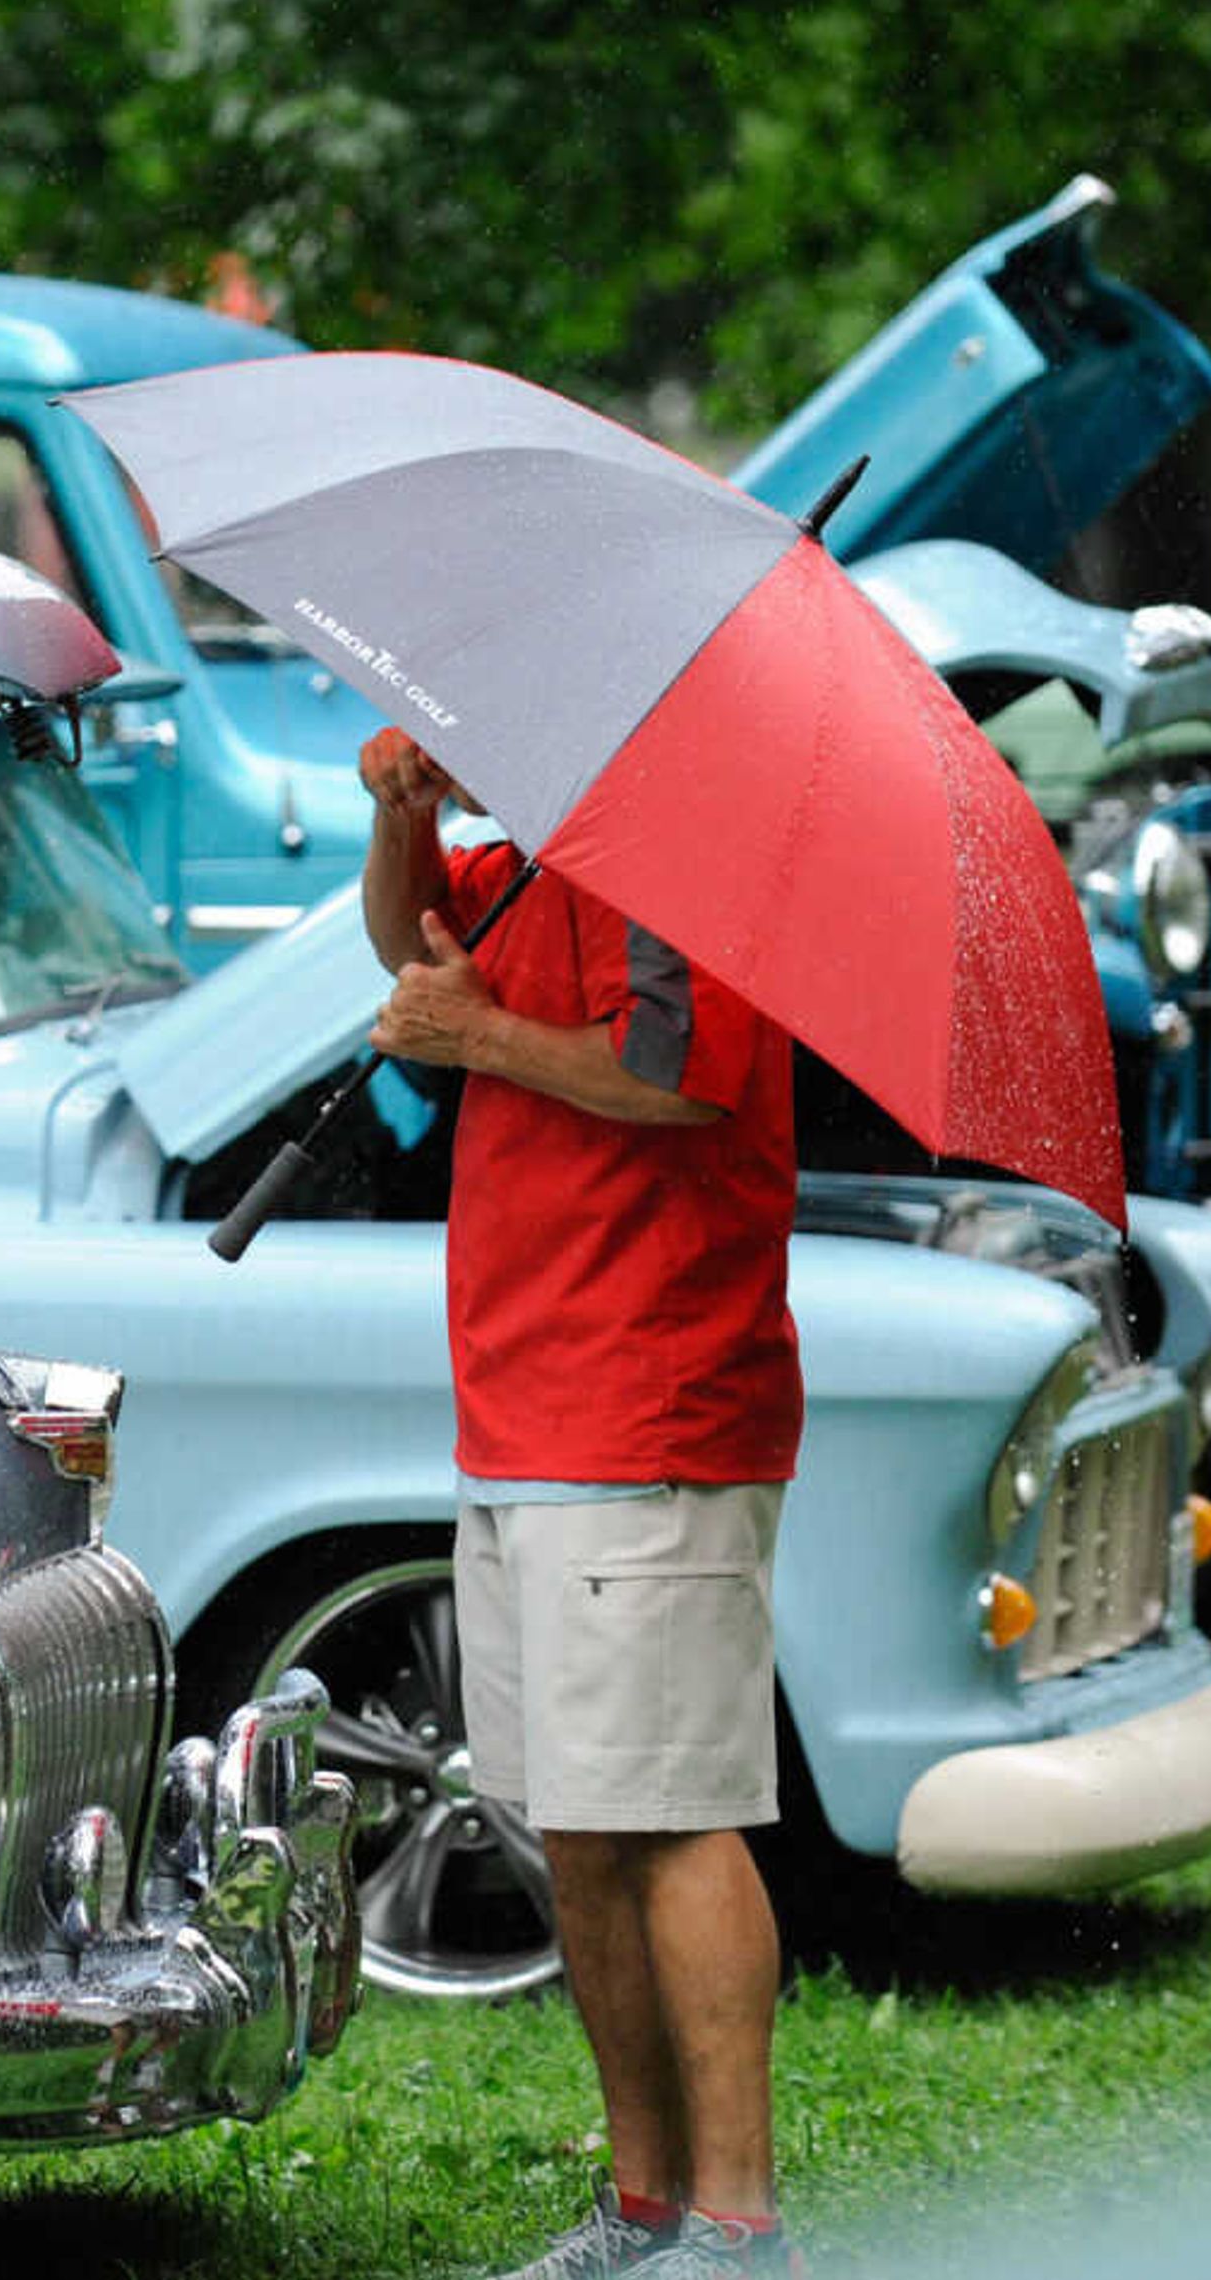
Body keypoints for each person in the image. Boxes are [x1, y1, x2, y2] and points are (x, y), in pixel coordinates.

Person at [356, 725, 806, 2280]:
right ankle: (645, 2211)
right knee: (581, 1829)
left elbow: (683, 1083)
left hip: (650, 1412)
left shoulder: (680, 867)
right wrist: (404, 822)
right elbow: (410, 939)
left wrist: (477, 1039)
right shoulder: (537, 859)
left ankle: (741, 2232)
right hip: (530, 1414)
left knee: (673, 1820)